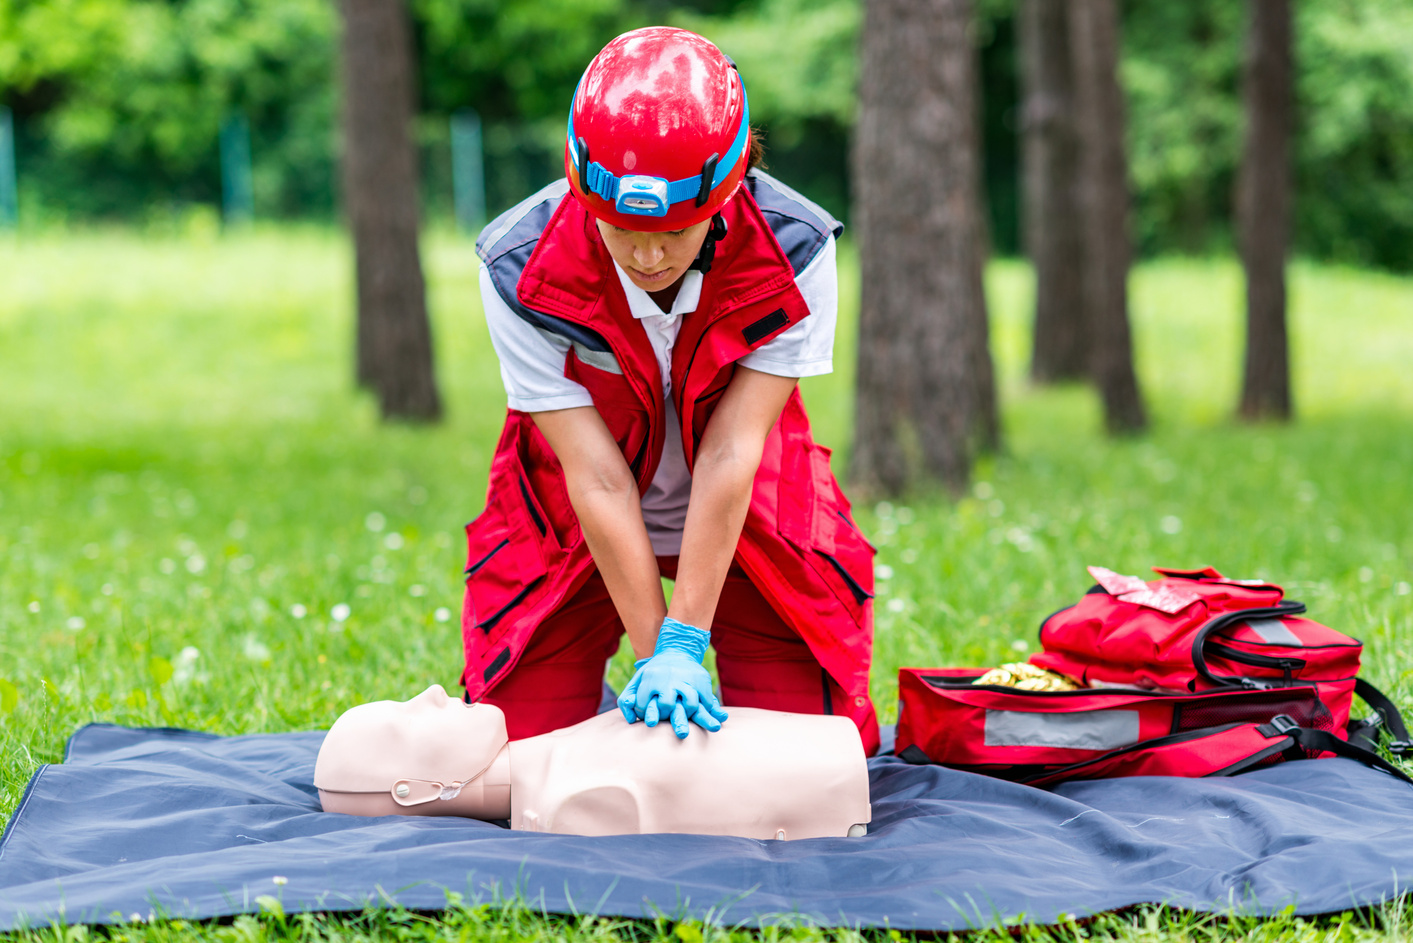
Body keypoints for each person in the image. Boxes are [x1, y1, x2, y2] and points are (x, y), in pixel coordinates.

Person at [464, 26, 879, 754]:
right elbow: (595, 477)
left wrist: (683, 642)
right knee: (514, 757)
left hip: (751, 517)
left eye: (676, 231)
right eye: (621, 230)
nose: (648, 254)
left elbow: (732, 450)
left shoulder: (797, 248)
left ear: (728, 192)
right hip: (569, 524)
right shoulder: (515, 266)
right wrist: (653, 654)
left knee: (811, 759)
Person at [314, 684, 872, 840]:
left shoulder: (562, 761)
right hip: (835, 779)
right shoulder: (578, 798)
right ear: (411, 790)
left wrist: (675, 642)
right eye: (406, 718)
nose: (432, 692)